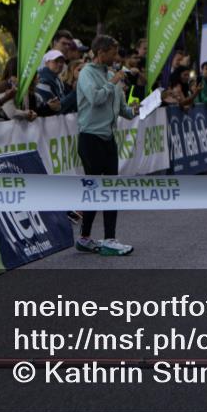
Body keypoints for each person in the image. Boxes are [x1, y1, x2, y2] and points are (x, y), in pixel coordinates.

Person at [75, 35, 139, 256]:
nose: (116, 57)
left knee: (111, 189)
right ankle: (84, 237)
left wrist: (134, 110)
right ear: (100, 52)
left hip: (109, 138)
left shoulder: (112, 75)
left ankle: (110, 237)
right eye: (113, 52)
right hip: (90, 138)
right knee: (93, 190)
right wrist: (112, 82)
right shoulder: (86, 74)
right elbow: (95, 98)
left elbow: (121, 109)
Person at [36, 49, 77, 116]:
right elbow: (56, 109)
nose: (60, 64)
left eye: (62, 62)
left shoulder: (57, 79)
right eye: (56, 61)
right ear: (46, 63)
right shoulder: (43, 81)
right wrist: (74, 92)